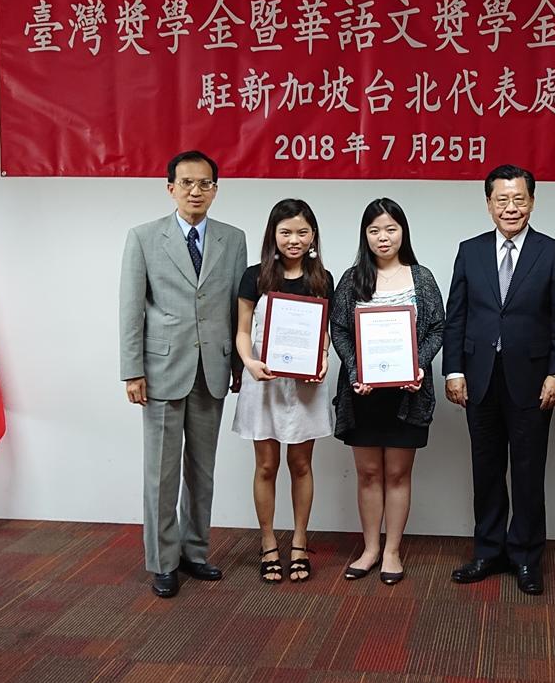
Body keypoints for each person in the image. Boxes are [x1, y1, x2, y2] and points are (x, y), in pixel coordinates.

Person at [443, 164, 555, 596]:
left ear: (533, 202)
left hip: (534, 380)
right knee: (485, 469)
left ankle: (525, 557)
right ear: (488, 204)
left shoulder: (552, 252)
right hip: (479, 378)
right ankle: (487, 551)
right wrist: (454, 369)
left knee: (527, 472)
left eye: (519, 199)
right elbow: (457, 316)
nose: (511, 207)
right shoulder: (470, 250)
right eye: (501, 200)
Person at [119, 150, 247, 599]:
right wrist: (132, 370)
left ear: (216, 188)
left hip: (211, 367)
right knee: (161, 472)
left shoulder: (233, 240)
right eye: (188, 183)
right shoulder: (144, 238)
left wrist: (236, 365)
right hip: (161, 370)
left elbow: (237, 308)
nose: (197, 191)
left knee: (202, 471)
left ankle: (196, 551)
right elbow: (131, 309)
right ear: (170, 186)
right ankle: (162, 561)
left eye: (206, 183)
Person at [330, 198, 444, 585]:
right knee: (367, 474)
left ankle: (392, 550)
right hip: (362, 393)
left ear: (403, 233)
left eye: (391, 229)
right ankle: (370, 549)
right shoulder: (352, 278)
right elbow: (340, 330)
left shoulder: (421, 277)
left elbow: (438, 329)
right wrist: (355, 368)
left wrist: (419, 364)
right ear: (365, 235)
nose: (383, 237)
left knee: (397, 475)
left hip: (406, 394)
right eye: (375, 230)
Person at [232, 199, 334, 584]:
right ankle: (269, 542)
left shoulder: (322, 278)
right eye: (286, 232)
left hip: (305, 386)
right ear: (273, 235)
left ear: (313, 237)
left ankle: (300, 543)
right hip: (265, 383)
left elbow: (323, 334)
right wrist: (249, 362)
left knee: (302, 465)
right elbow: (243, 331)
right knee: (266, 466)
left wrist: (322, 360)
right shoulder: (254, 276)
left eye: (302, 232)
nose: (294, 239)